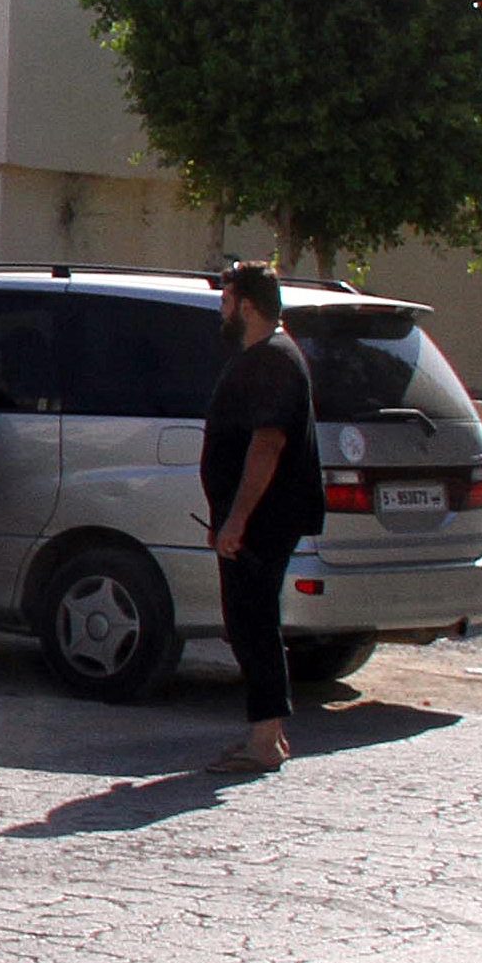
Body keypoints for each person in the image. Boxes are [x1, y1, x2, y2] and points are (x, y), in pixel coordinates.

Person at [200, 259, 326, 775]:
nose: (222, 311)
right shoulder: (260, 355)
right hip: (248, 518)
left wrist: (238, 520)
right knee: (247, 620)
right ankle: (265, 733)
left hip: (263, 520)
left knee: (254, 621)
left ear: (248, 306)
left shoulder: (274, 359)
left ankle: (266, 738)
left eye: (227, 302)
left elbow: (268, 443)